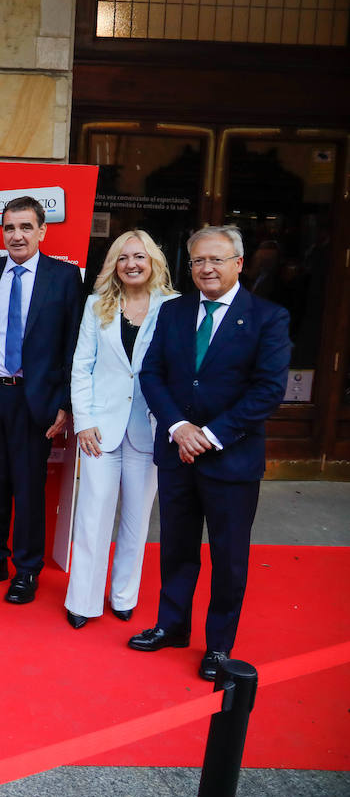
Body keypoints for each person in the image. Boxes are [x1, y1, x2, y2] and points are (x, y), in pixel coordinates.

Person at [130, 225, 291, 680]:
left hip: (230, 458)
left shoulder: (268, 317)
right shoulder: (173, 311)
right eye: (199, 260)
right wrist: (179, 428)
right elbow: (152, 373)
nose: (207, 268)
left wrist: (211, 435)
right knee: (177, 547)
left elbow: (267, 391)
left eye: (217, 259)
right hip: (177, 452)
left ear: (239, 263)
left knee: (229, 556)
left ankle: (218, 646)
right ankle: (172, 625)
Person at [0, 197, 83, 604]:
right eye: (10, 228)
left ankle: (27, 570)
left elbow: (73, 345)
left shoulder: (65, 277)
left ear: (42, 231)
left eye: (25, 227)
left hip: (37, 398)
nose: (17, 235)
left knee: (30, 487)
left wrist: (66, 403)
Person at [65, 230, 177, 629]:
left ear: (153, 262)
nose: (132, 263)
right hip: (101, 427)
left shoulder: (174, 308)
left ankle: (123, 596)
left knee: (136, 518)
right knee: (92, 515)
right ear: (114, 264)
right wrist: (84, 423)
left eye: (139, 257)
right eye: (124, 257)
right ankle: (83, 601)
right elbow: (82, 367)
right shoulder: (97, 305)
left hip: (150, 429)